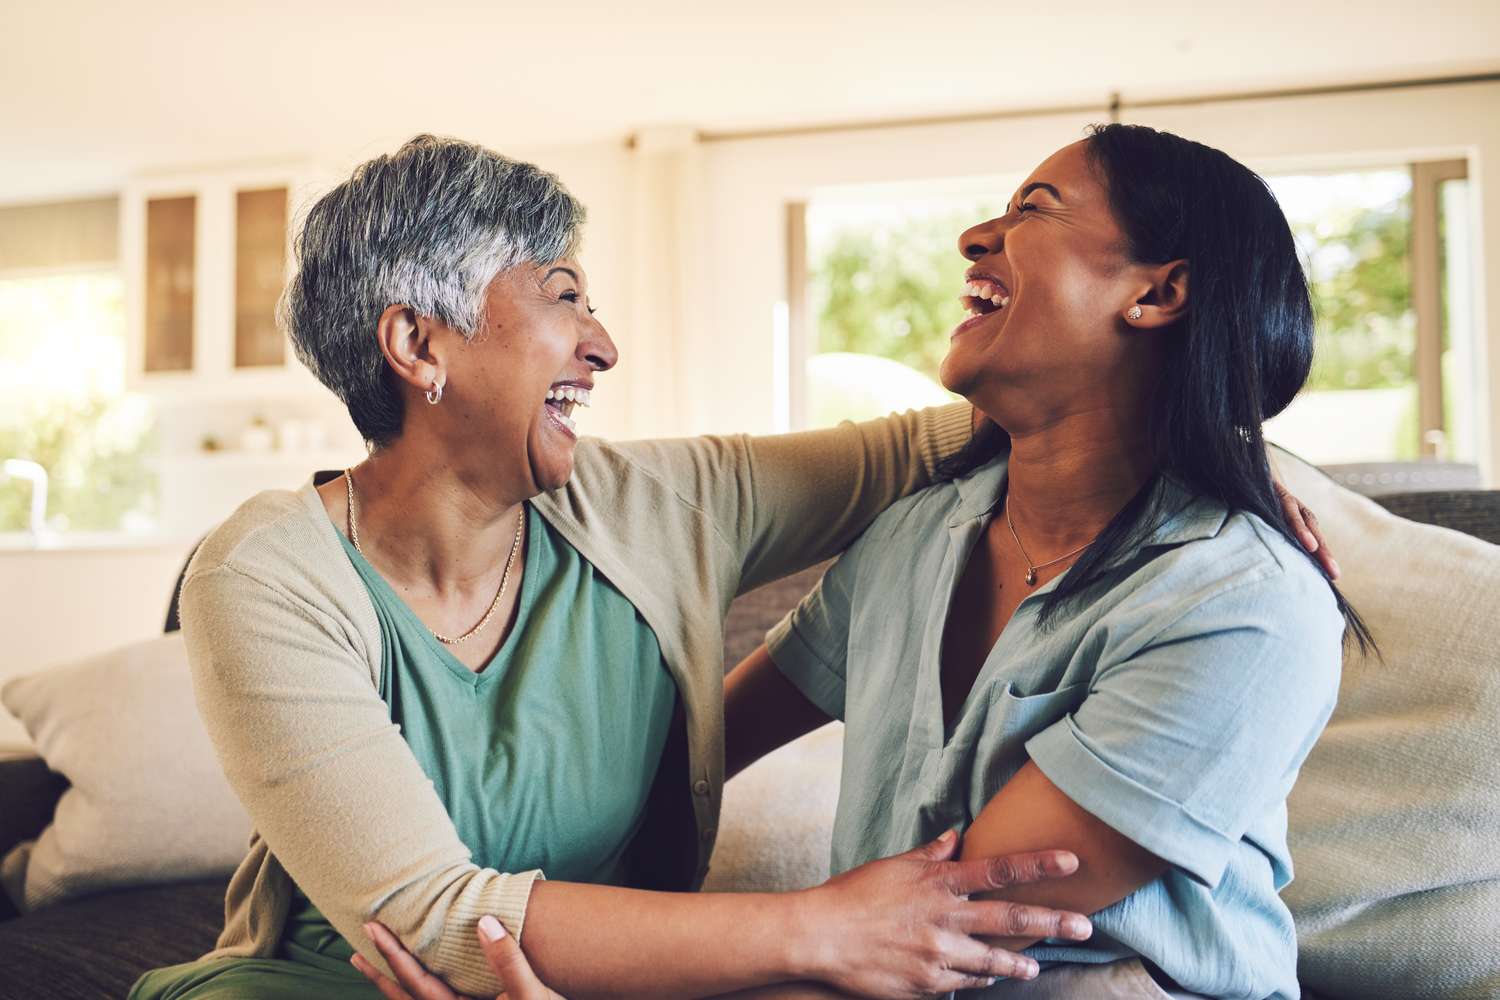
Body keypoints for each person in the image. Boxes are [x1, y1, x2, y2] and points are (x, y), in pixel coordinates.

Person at [344, 127, 1345, 1000]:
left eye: (1036, 209)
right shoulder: (919, 533)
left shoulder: (1243, 602)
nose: (975, 237)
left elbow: (949, 921)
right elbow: (695, 754)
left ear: (1161, 291)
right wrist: (472, 893)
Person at [129, 134, 1101, 1000]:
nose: (604, 346)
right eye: (563, 297)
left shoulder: (656, 502)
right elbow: (435, 925)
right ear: (418, 342)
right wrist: (829, 926)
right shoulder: (264, 573)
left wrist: (1229, 443)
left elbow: (934, 445)